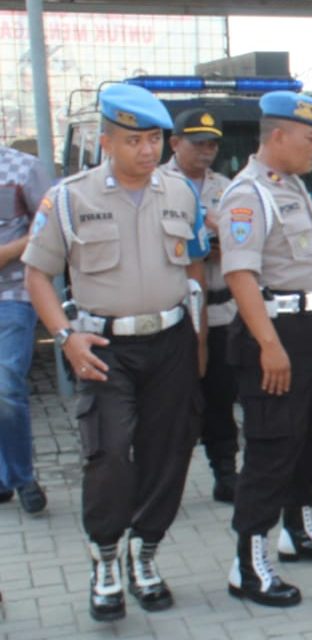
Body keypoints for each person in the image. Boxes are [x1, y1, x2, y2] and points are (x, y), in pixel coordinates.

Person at [22, 83, 209, 620]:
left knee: (167, 454)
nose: (147, 151)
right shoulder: (69, 198)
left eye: (155, 139)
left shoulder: (179, 193)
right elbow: (38, 275)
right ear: (106, 141)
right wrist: (65, 337)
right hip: (104, 345)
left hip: (171, 340)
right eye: (134, 140)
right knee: (108, 456)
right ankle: (105, 557)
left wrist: (197, 344)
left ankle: (144, 555)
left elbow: (194, 267)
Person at [217, 91, 312, 608]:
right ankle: (248, 564)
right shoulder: (248, 194)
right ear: (278, 136)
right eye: (311, 138)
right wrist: (269, 345)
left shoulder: (293, 186)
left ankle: (297, 529)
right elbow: (241, 275)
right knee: (273, 444)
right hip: (275, 333)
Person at [162, 109, 238, 503]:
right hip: (175, 315)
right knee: (172, 402)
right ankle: (161, 480)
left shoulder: (227, 187)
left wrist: (213, 241)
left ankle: (226, 473)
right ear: (174, 143)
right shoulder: (155, 186)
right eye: (198, 143)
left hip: (222, 310)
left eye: (212, 143)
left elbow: (243, 244)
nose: (207, 151)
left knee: (220, 398)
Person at [0, 144, 51, 515]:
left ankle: (22, 477)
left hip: (13, 292)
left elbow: (45, 228)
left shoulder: (24, 168)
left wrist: (6, 252)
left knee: (5, 385)